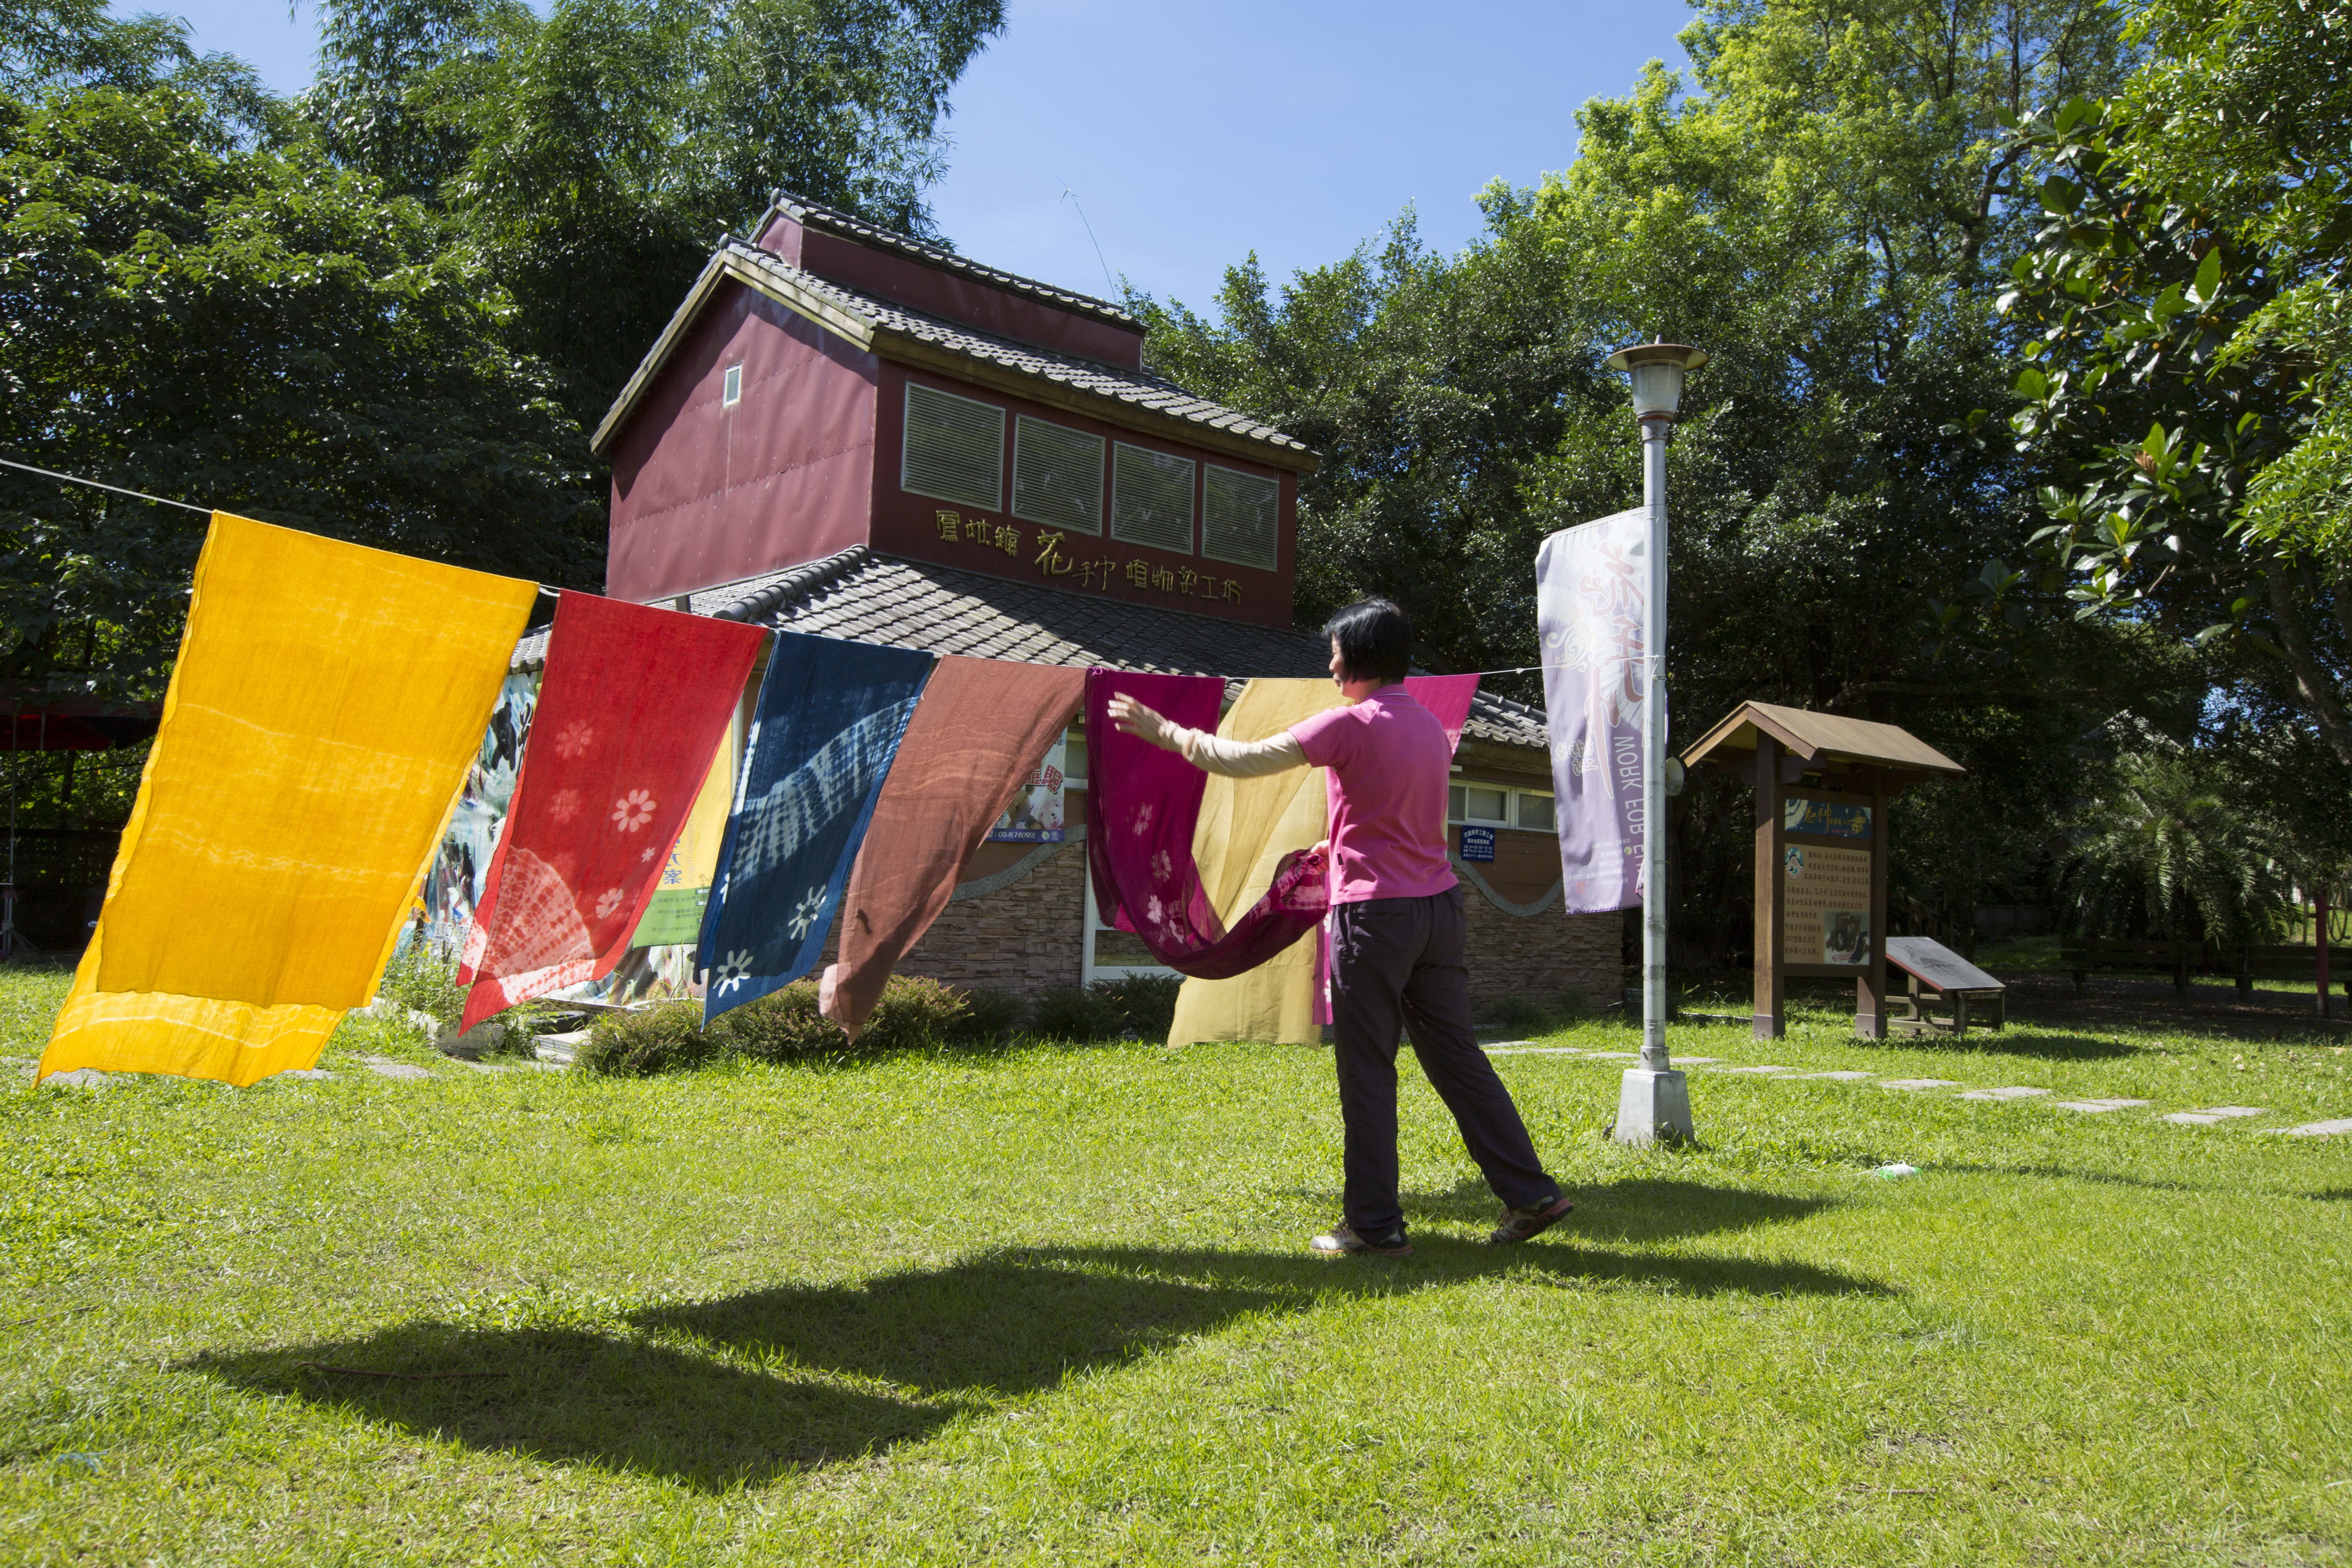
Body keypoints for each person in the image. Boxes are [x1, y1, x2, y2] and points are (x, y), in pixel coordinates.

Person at [1109, 597, 1573, 1257]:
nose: (1329, 666)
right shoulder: (1428, 730)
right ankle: (1531, 1193)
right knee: (1459, 1061)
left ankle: (1375, 1226)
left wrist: (1167, 733)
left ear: (1358, 659)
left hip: (1375, 918)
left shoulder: (1350, 724)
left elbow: (1241, 760)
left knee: (1367, 1069)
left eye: (1335, 653)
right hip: (1438, 911)